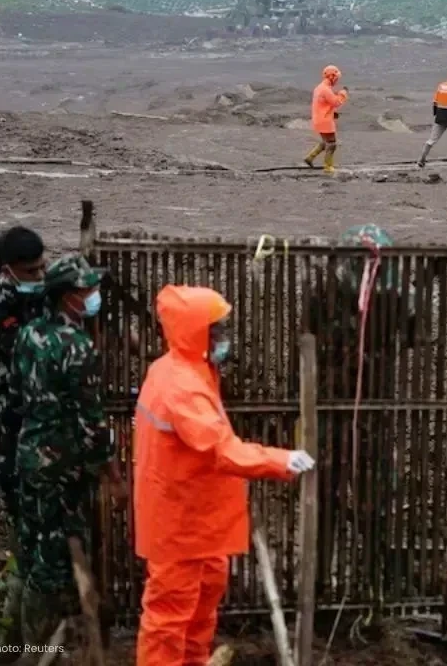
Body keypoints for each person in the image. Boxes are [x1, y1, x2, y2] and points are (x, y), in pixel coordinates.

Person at [134, 285, 315, 665]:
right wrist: (281, 460)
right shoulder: (181, 386)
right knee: (169, 619)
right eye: (216, 329)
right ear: (195, 332)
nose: (224, 336)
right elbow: (222, 449)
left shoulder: (187, 369)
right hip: (180, 524)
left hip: (197, 518)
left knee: (200, 610)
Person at [12, 254, 125, 645]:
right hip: (61, 467)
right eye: (87, 288)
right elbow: (92, 422)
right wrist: (113, 475)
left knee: (31, 548)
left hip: (30, 455)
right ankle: (36, 647)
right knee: (53, 560)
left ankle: (12, 640)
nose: (94, 294)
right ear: (68, 297)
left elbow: (18, 393)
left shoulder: (28, 334)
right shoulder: (77, 347)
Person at [0, 226, 47, 649]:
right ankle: (15, 639)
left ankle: (17, 634)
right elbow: (29, 349)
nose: (40, 276)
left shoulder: (42, 290)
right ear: (8, 270)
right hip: (17, 428)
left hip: (46, 427)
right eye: (31, 271)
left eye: (43, 268)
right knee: (27, 534)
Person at [304, 65, 349, 174]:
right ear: (332, 76)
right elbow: (336, 102)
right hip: (324, 120)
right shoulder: (325, 90)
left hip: (319, 119)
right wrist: (343, 94)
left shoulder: (319, 88)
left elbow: (322, 105)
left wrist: (332, 113)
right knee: (332, 143)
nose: (337, 80)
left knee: (326, 142)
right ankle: (328, 166)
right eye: (336, 77)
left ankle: (310, 158)